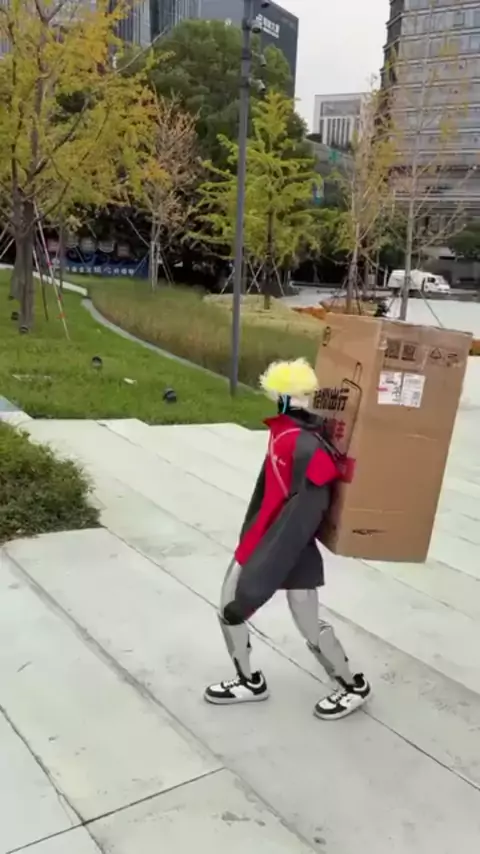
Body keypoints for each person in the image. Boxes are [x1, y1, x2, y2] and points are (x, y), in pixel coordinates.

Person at [204, 358, 371, 720]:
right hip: (269, 538)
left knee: (297, 621)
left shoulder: (306, 447)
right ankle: (249, 681)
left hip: (286, 545)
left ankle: (352, 686)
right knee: (231, 608)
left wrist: (266, 564)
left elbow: (307, 510)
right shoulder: (283, 434)